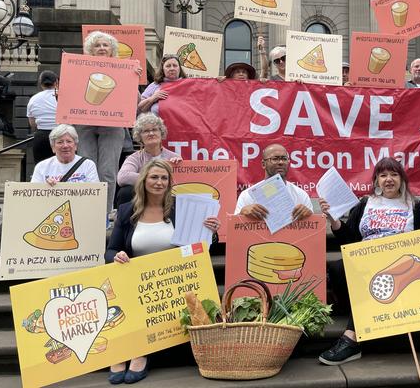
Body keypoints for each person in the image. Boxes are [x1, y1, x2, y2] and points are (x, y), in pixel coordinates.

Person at [317, 157, 420, 365]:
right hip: (366, 267)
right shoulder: (366, 204)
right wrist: (333, 219)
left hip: (399, 272)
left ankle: (352, 338)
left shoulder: (415, 207)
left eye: (394, 174)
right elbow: (350, 241)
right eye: (383, 175)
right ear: (376, 181)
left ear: (402, 179)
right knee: (338, 267)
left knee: (373, 279)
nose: (389, 180)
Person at [105, 159, 219, 384]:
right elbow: (110, 250)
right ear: (144, 180)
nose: (159, 182)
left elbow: (201, 249)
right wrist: (116, 256)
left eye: (164, 178)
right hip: (136, 282)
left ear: (169, 182)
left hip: (173, 283)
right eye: (154, 177)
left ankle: (140, 353)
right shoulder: (128, 210)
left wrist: (211, 232)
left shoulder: (181, 208)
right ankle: (121, 352)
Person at [76, 31, 129, 214]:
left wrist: (134, 78)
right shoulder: (78, 68)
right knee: (86, 169)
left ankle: (104, 214)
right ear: (91, 48)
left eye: (105, 45)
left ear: (111, 49)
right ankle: (86, 212)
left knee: (107, 171)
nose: (101, 48)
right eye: (97, 45)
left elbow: (133, 100)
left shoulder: (124, 68)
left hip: (112, 125)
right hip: (84, 124)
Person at [116, 113, 182, 207]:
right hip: (143, 197)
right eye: (146, 131)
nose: (151, 133)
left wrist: (178, 165)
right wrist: (151, 179)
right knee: (125, 192)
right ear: (140, 137)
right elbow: (122, 177)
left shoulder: (173, 157)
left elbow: (181, 183)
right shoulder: (135, 158)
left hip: (166, 196)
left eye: (154, 129)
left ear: (161, 132)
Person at [235, 143, 313, 222]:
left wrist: (310, 216)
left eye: (284, 158)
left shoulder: (301, 195)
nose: (281, 162)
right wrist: (242, 214)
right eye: (275, 159)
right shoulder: (247, 195)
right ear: (263, 164)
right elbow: (234, 229)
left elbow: (313, 229)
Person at [31, 124, 99, 184]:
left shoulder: (88, 165)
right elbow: (33, 195)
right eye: (60, 142)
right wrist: (45, 187)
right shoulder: (41, 167)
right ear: (53, 147)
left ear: (75, 146)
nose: (65, 146)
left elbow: (95, 194)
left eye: (69, 141)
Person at [26, 70, 58, 163]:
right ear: (56, 82)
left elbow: (32, 123)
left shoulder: (33, 99)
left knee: (41, 168)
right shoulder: (63, 96)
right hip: (61, 134)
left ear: (41, 83)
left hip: (41, 136)